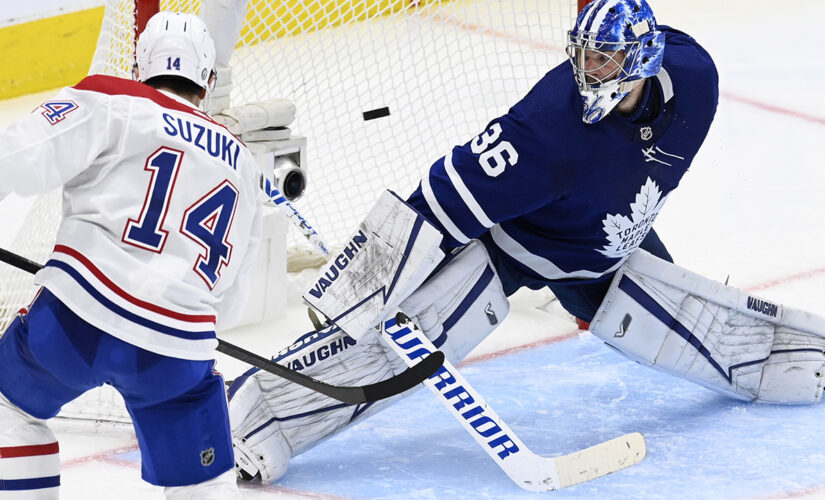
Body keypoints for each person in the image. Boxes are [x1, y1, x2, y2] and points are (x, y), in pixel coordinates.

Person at [228, 0, 725, 482]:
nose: (587, 69)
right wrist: (361, 284)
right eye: (582, 54)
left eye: (602, 57)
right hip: (513, 247)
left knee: (685, 333)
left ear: (642, 58)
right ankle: (260, 411)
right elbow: (447, 193)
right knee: (405, 345)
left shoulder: (695, 75)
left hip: (604, 246)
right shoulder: (547, 126)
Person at [0, 12, 264, 499]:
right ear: (207, 83)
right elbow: (232, 293)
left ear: (138, 66)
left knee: (6, 409)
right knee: (204, 482)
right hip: (176, 353)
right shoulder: (244, 161)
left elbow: (16, 159)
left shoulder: (112, 98)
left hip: (72, 324)